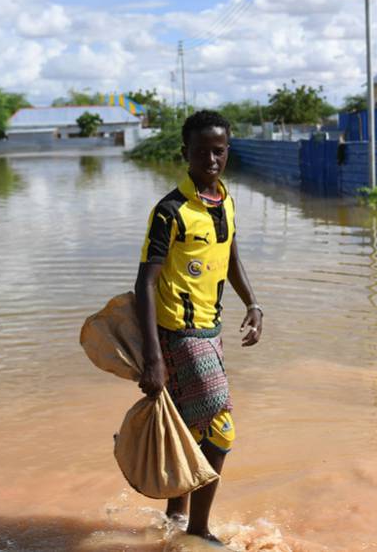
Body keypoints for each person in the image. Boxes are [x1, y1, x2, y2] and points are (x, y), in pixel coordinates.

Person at [134, 110, 263, 544]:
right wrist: (153, 359)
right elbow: (144, 284)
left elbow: (231, 259)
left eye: (219, 150)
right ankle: (202, 530)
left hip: (212, 332)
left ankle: (173, 522)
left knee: (189, 427)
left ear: (227, 152)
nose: (212, 159)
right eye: (202, 151)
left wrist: (253, 303)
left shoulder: (225, 201)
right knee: (221, 429)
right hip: (179, 335)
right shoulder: (169, 211)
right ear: (185, 153)